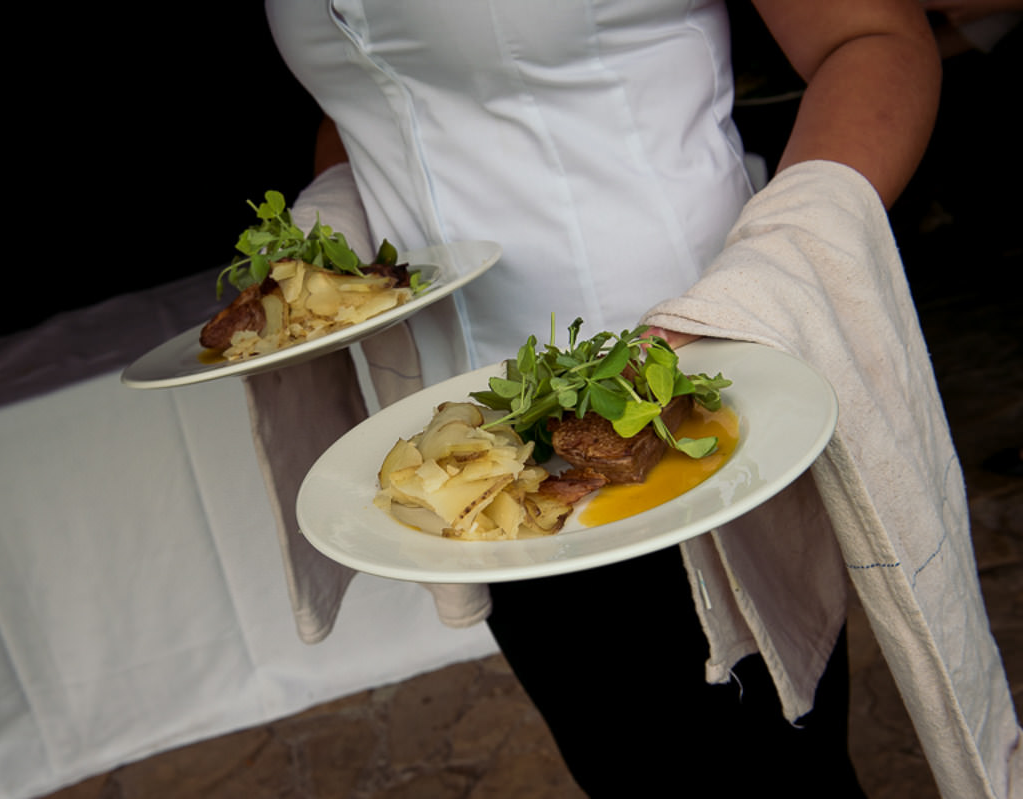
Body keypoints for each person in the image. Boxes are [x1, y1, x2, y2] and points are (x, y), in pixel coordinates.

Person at [255, 1, 945, 795]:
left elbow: (873, 41)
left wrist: (768, 278)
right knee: (620, 765)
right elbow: (370, 95)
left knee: (769, 771)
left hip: (688, 411)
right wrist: (322, 232)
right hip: (475, 470)